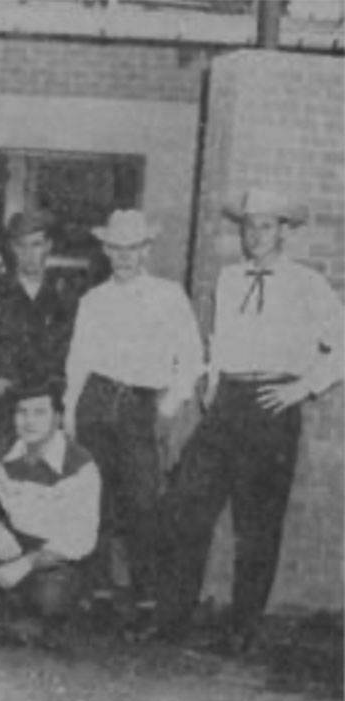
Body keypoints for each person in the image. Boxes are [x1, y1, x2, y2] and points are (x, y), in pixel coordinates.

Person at [149, 188, 344, 656]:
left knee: (257, 525)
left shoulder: (307, 284)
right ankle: (172, 621)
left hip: (273, 405)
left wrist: (302, 388)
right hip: (228, 404)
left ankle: (242, 630)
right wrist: (214, 383)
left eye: (266, 225)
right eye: (249, 225)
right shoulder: (230, 278)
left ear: (284, 231)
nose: (255, 235)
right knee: (185, 507)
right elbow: (222, 338)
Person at [62, 209, 203, 623]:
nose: (124, 257)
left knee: (144, 504)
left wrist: (166, 406)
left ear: (146, 250)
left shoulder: (168, 295)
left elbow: (192, 358)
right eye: (117, 249)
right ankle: (99, 594)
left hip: (141, 406)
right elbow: (78, 361)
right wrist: (70, 412)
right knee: (95, 502)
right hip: (96, 400)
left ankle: (146, 599)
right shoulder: (93, 300)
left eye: (133, 249)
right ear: (106, 250)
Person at [0, 381, 100, 644]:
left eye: (40, 413)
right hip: (13, 542)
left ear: (58, 418)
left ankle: (13, 617)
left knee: (51, 597)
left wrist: (26, 564)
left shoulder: (79, 465)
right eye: (22, 412)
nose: (29, 422)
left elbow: (79, 539)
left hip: (54, 556)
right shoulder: (1, 451)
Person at [0, 210, 77, 439]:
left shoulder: (66, 296)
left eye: (36, 245)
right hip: (5, 409)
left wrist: (65, 397)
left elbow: (75, 353)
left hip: (50, 408)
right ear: (13, 248)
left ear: (49, 246)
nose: (29, 254)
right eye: (22, 246)